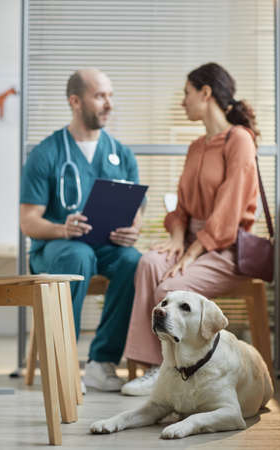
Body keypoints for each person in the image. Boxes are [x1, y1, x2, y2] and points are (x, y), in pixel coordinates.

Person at [121, 62, 259, 396]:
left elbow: (228, 213)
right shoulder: (196, 146)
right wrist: (177, 240)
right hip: (193, 242)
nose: (183, 102)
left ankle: (166, 371)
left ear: (205, 93)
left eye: (186, 93)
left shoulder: (239, 140)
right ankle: (153, 367)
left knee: (170, 289)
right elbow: (180, 206)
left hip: (225, 249)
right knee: (149, 263)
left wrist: (192, 253)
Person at [20, 68, 142, 392]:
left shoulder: (122, 154)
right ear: (75, 101)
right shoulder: (47, 154)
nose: (109, 104)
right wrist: (62, 228)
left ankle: (102, 363)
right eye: (100, 96)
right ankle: (62, 363)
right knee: (77, 254)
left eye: (111, 96)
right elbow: (28, 221)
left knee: (134, 261)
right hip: (55, 250)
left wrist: (132, 231)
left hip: (106, 247)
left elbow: (135, 211)